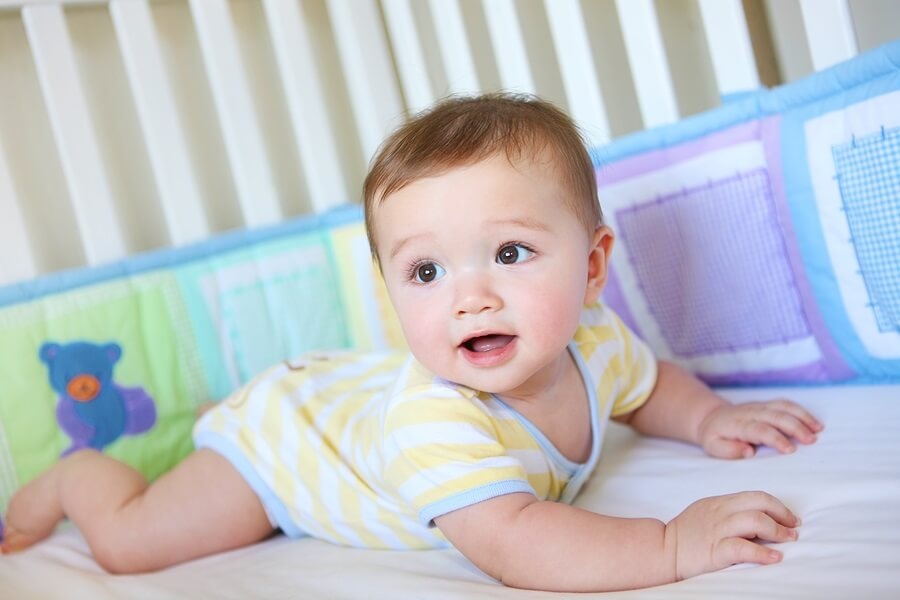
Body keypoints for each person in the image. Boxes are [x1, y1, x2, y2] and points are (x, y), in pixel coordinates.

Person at [0, 93, 823, 592]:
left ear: (594, 266)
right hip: (288, 445)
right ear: (389, 291)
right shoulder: (437, 420)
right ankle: (80, 479)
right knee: (129, 546)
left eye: (509, 254)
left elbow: (649, 389)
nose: (470, 297)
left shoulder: (597, 341)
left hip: (342, 400)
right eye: (425, 272)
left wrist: (711, 417)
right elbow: (515, 541)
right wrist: (672, 543)